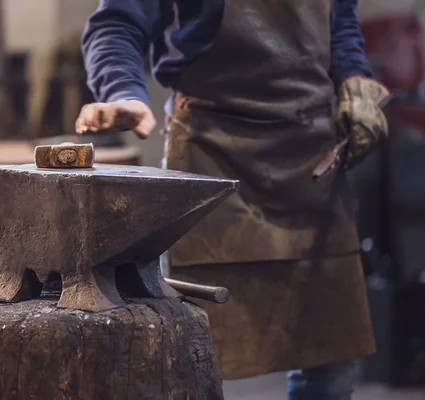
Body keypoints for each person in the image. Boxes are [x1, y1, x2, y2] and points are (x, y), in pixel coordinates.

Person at [77, 1, 390, 399]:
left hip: (311, 163)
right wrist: (123, 89)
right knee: (191, 364)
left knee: (330, 365)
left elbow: (340, 23)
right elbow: (117, 23)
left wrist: (354, 80)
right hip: (213, 156)